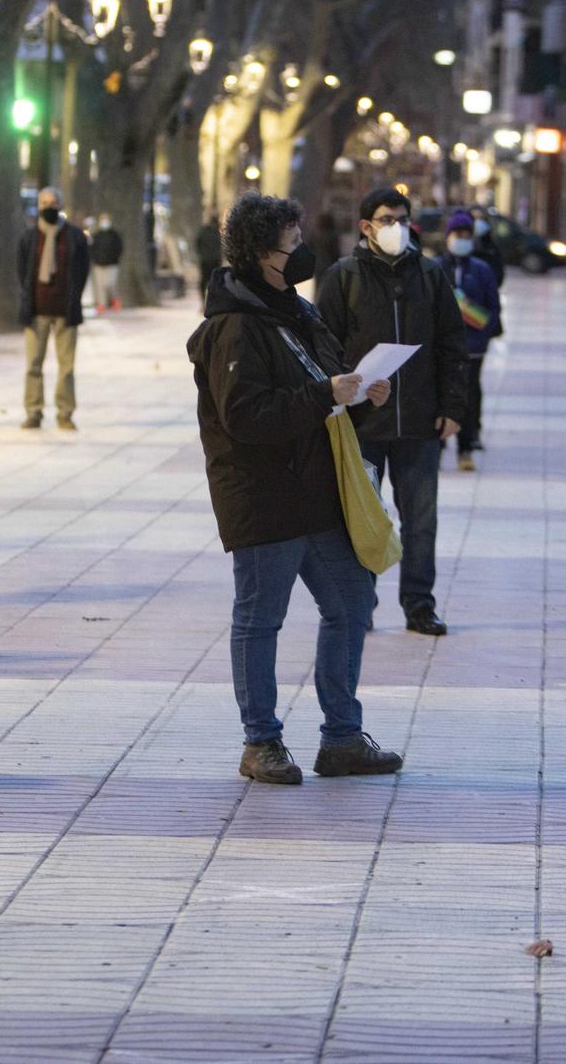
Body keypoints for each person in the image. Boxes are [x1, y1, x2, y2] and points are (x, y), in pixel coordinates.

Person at [189, 193, 403, 786]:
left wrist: (359, 397)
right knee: (260, 619)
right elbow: (246, 417)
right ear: (262, 254)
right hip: (263, 497)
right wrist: (324, 395)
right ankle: (262, 741)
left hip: (319, 492)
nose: (303, 249)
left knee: (352, 603)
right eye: (291, 241)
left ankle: (340, 739)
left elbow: (320, 399)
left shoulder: (297, 314)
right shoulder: (233, 328)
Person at [317, 187, 468, 636]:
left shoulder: (429, 275)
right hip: (364, 423)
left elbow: (452, 344)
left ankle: (419, 605)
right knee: (363, 518)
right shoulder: (343, 277)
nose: (396, 227)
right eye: (386, 219)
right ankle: (360, 603)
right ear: (366, 227)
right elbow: (323, 346)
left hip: (420, 421)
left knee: (421, 519)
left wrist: (454, 408)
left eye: (402, 219)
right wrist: (350, 388)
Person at [17, 186, 89, 431]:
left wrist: (75, 296)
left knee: (66, 366)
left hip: (65, 310)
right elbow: (22, 270)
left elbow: (82, 269)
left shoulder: (74, 236)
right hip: (36, 309)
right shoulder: (29, 237)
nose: (49, 206)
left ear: (60, 205)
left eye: (53, 202)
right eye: (44, 202)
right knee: (33, 364)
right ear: (38, 206)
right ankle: (33, 411)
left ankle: (65, 413)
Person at [436, 210, 501, 473]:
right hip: (441, 347)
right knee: (439, 394)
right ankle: (437, 446)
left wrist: (473, 317)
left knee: (469, 394)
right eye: (457, 234)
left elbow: (493, 309)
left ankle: (467, 445)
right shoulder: (437, 267)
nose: (461, 239)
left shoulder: (481, 270)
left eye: (466, 235)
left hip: (472, 346)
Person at [89, 213, 124, 313]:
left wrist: (114, 258)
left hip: (112, 264)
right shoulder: (96, 235)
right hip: (99, 264)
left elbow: (119, 248)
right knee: (100, 285)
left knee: (111, 284)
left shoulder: (114, 235)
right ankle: (101, 304)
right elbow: (92, 249)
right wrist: (95, 259)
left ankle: (115, 300)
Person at [467, 205, 506, 287]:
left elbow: (499, 276)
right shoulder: (460, 247)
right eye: (474, 218)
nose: (478, 222)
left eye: (481, 218)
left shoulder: (492, 248)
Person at [195, 215, 223, 305]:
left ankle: (203, 302)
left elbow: (197, 243)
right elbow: (221, 246)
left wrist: (201, 254)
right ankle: (212, 302)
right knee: (214, 281)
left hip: (205, 259)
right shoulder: (217, 232)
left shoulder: (203, 230)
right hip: (215, 260)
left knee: (204, 280)